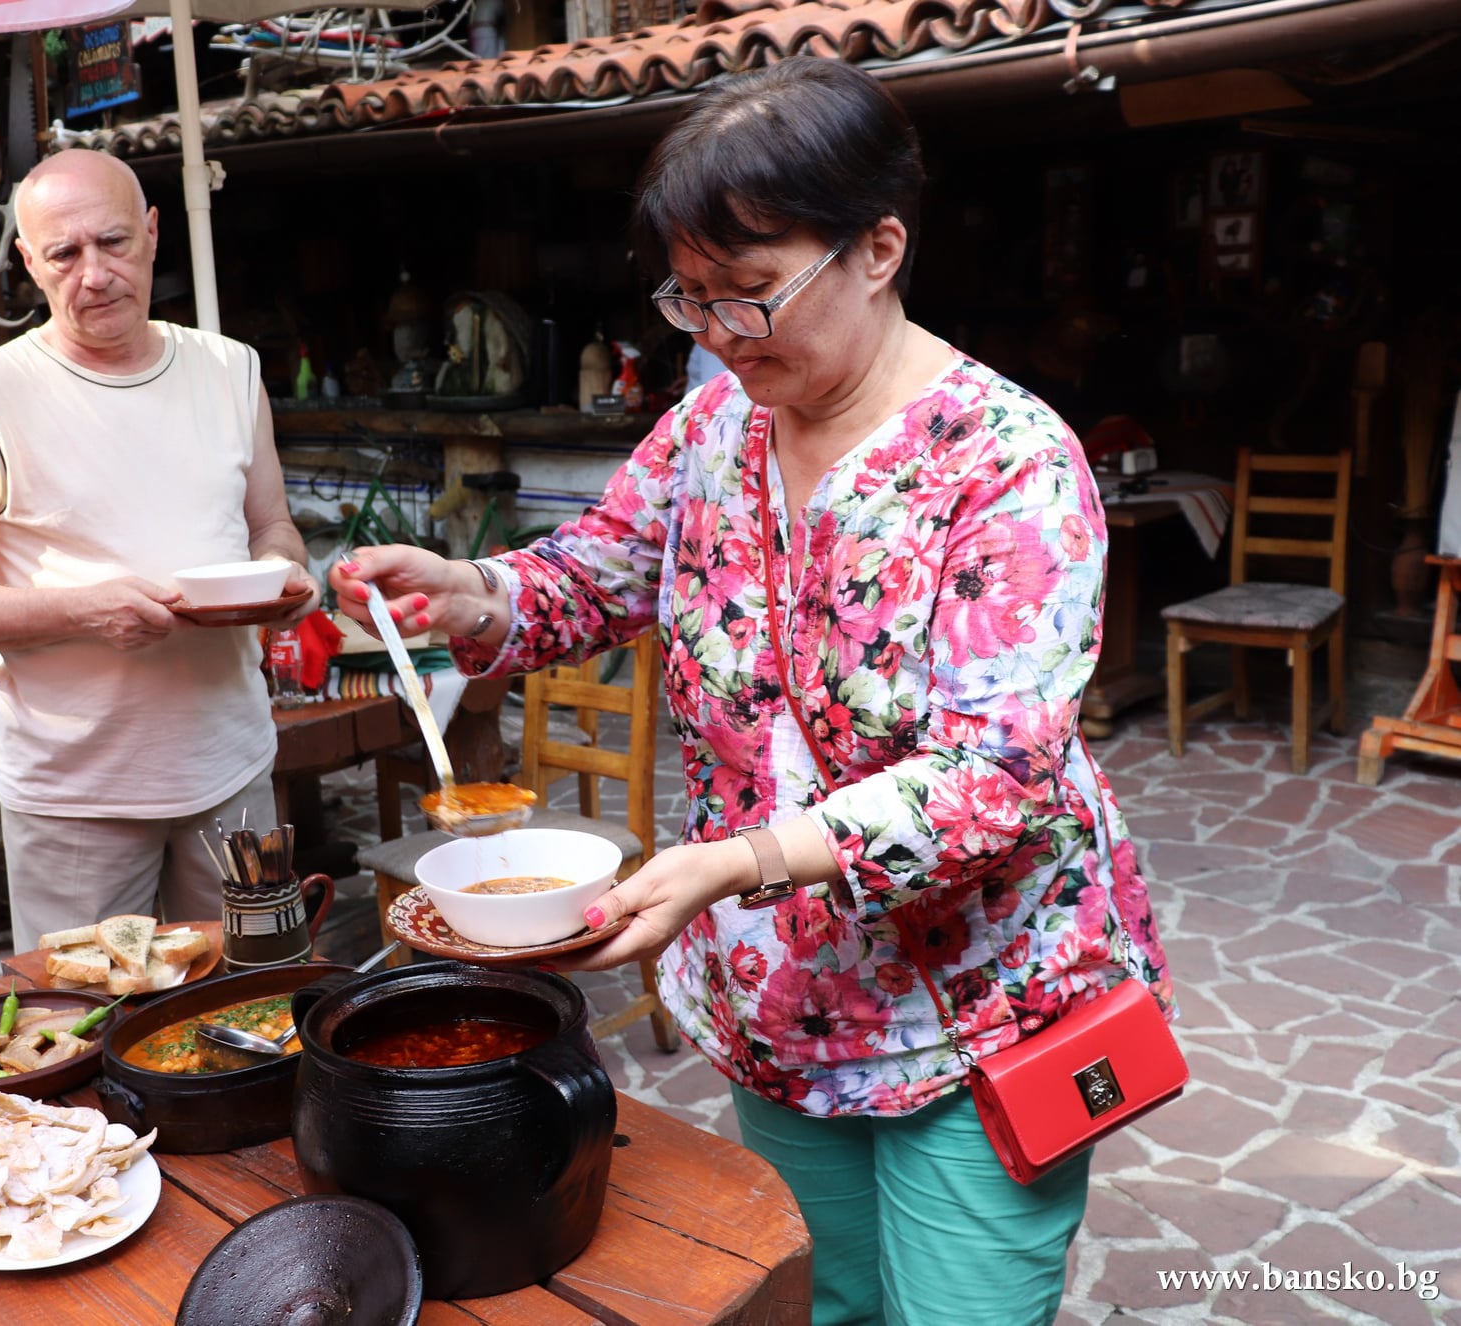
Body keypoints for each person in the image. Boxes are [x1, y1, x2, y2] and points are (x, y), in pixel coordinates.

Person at [330, 59, 1172, 1326]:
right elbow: (597, 570)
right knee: (806, 1300)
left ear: (878, 247)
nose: (719, 333)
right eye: (689, 297)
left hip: (981, 1007)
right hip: (778, 991)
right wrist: (473, 593)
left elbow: (993, 777)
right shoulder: (712, 427)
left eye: (750, 293)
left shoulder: (1006, 463)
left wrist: (738, 863)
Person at [0, 149, 318, 949]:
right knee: (84, 1030)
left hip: (231, 771)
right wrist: (84, 611)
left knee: (250, 1007)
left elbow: (272, 527)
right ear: (29, 262)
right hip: (74, 795)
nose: (94, 274)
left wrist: (282, 576)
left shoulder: (231, 371)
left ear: (154, 235)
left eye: (114, 243)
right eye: (64, 253)